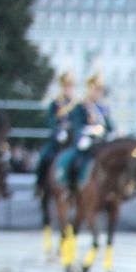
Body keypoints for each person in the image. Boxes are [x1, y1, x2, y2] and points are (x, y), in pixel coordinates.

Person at [36, 70, 77, 249]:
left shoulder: (77, 105)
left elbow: (78, 122)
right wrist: (58, 129)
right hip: (56, 142)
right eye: (66, 86)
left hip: (72, 142)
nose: (68, 89)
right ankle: (40, 184)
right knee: (45, 158)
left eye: (71, 86)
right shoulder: (56, 103)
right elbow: (50, 120)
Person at [57, 73, 112, 194]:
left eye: (99, 90)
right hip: (85, 142)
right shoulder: (81, 107)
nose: (97, 93)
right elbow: (77, 125)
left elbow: (109, 126)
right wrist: (91, 130)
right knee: (74, 160)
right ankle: (71, 187)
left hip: (100, 142)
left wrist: (108, 131)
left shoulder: (102, 108)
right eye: (95, 89)